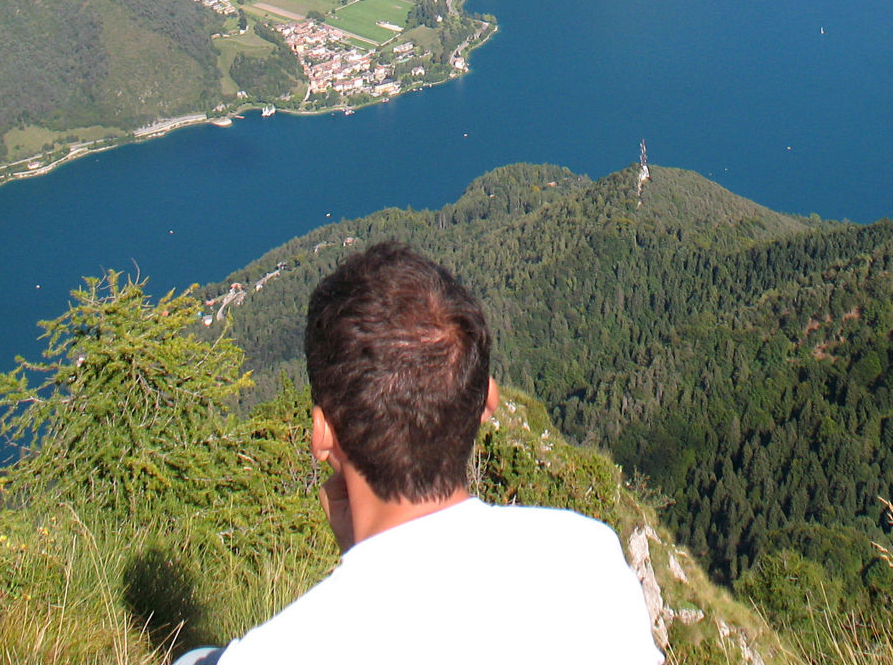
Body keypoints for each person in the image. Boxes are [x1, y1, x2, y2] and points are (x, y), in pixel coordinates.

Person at [179, 241, 662, 665]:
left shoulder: (280, 651)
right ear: (486, 402)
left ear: (321, 433)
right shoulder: (589, 556)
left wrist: (362, 556)